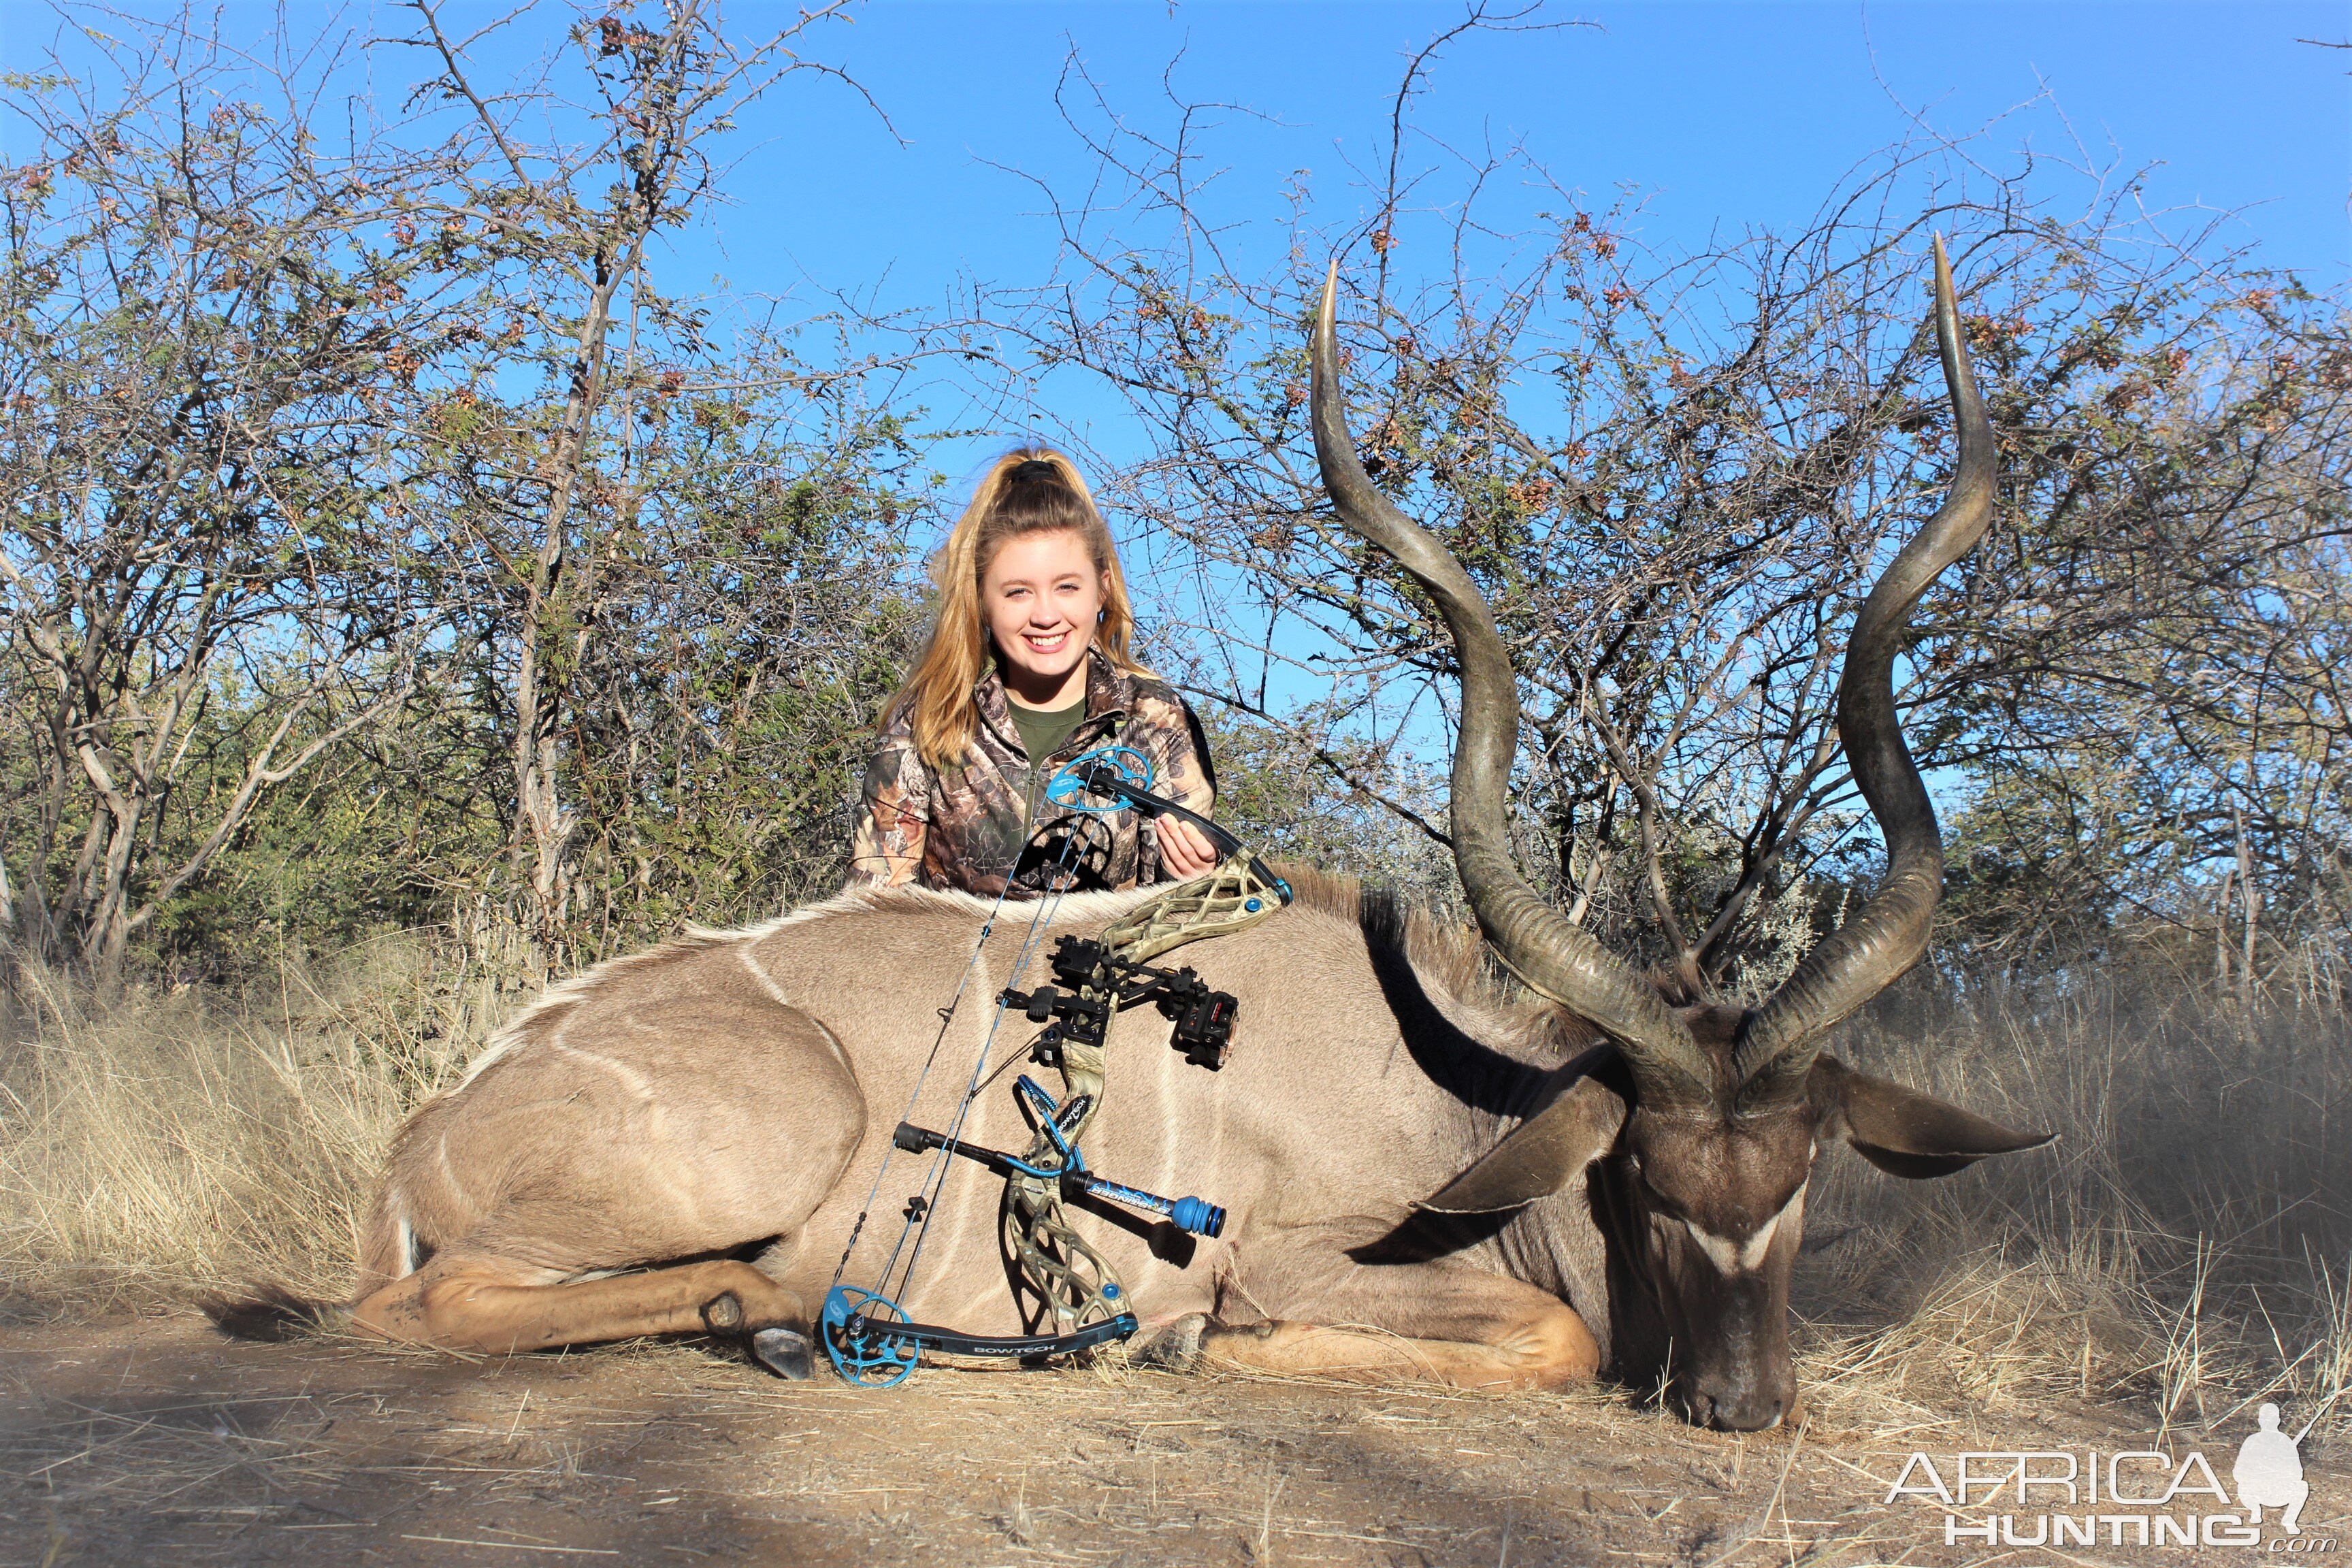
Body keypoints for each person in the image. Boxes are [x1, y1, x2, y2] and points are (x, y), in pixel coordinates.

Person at [846, 448, 1219, 898]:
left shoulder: (1156, 720)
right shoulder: (928, 718)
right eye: (1018, 592)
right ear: (982, 600)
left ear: (1102, 590)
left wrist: (1195, 881)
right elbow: (878, 905)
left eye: (1066, 587)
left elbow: (1175, 919)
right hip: (953, 966)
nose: (1046, 615)